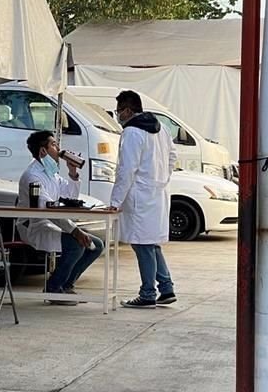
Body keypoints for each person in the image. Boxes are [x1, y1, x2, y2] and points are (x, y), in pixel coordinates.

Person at [107, 90, 178, 309]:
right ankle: (166, 288)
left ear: (128, 110)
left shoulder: (132, 132)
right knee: (151, 243)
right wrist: (161, 178)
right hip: (156, 193)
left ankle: (148, 293)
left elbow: (126, 170)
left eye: (119, 111)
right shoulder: (161, 128)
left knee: (142, 244)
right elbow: (173, 157)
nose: (118, 115)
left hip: (139, 196)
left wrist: (115, 201)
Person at [16, 130, 104, 305]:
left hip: (52, 221)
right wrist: (75, 231)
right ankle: (54, 288)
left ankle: (67, 285)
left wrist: (73, 172)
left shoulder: (52, 173)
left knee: (96, 245)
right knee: (76, 243)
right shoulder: (32, 175)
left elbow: (70, 194)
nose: (59, 149)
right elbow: (46, 208)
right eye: (54, 145)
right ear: (43, 151)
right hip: (34, 224)